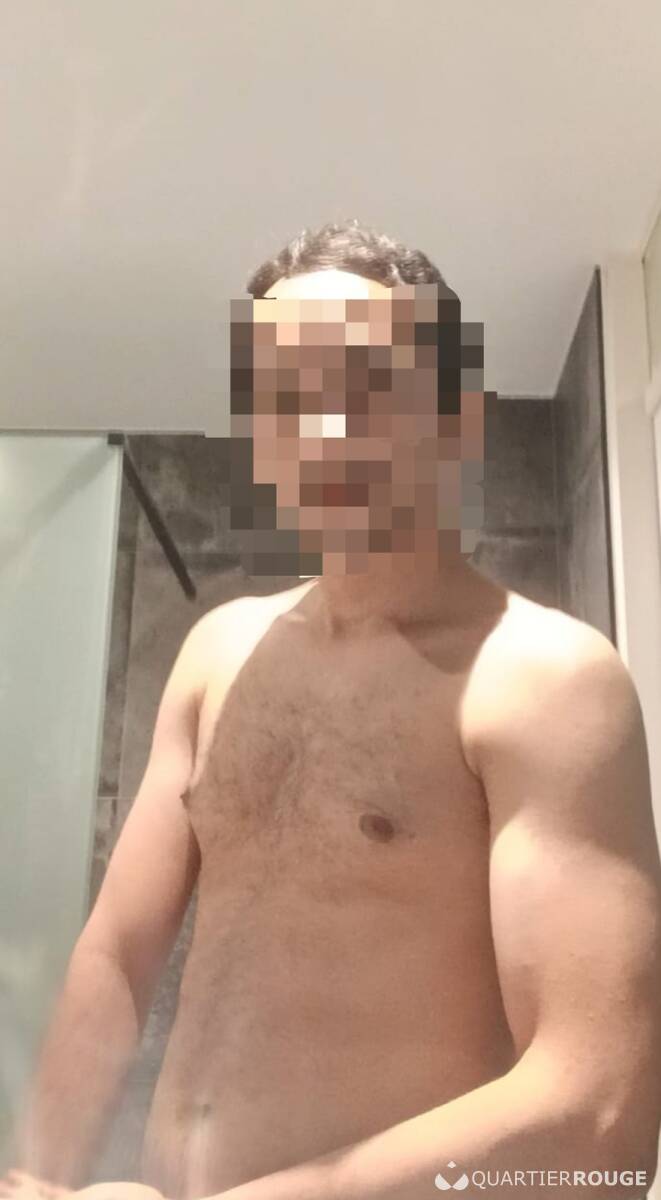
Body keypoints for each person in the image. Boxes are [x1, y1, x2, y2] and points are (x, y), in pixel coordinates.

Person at [3, 220, 661, 1200]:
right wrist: (36, 1180)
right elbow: (114, 959)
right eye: (282, 394)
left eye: (361, 383)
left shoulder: (545, 680)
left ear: (456, 418)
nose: (317, 427)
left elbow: (601, 1117)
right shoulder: (218, 653)